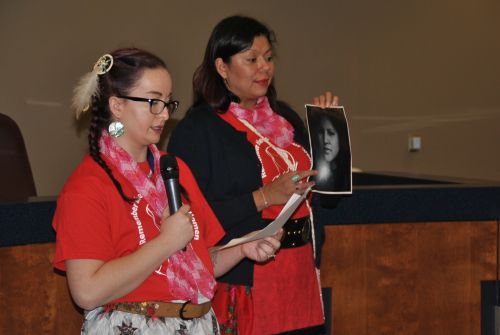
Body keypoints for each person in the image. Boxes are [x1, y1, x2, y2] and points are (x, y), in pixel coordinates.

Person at [52, 48, 282, 335]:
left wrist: (243, 247)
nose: (163, 114)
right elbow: (86, 291)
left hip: (197, 322)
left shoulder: (174, 169)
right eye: (152, 102)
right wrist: (166, 242)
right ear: (117, 105)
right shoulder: (87, 186)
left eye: (167, 102)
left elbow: (202, 260)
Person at [167, 16, 338, 335]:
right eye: (252, 59)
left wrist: (328, 134)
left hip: (299, 272)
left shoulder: (285, 116)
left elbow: (327, 198)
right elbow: (190, 220)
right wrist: (263, 198)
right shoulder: (196, 130)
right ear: (222, 67)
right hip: (243, 279)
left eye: (269, 58)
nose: (265, 67)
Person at [308, 110, 351, 192]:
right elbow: (294, 178)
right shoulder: (305, 169)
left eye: (331, 133)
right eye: (320, 132)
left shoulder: (349, 175)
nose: (325, 140)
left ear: (340, 137)